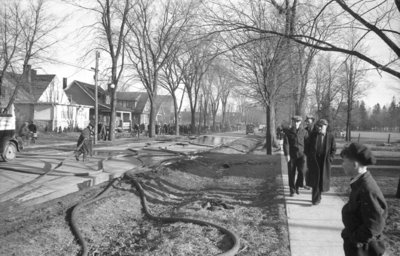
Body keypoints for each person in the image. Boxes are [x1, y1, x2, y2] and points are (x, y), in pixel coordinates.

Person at [340, 142, 388, 256]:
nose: (342, 164)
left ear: (355, 164)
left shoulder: (367, 189)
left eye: (344, 161)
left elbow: (374, 226)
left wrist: (354, 238)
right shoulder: (359, 182)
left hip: (363, 250)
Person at [304, 118, 336, 205]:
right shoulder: (312, 135)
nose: (319, 128)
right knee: (315, 180)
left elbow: (333, 150)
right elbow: (306, 147)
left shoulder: (330, 137)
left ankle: (318, 195)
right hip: (314, 161)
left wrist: (330, 159)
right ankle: (315, 199)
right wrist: (310, 157)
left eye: (321, 126)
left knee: (322, 179)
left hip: (324, 161)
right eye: (318, 126)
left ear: (326, 126)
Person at [283, 115, 308, 196]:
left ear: (300, 122)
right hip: (292, 155)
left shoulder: (304, 132)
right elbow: (286, 144)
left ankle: (297, 185)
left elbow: (308, 143)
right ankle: (292, 190)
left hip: (301, 155)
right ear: (292, 122)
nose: (296, 123)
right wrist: (287, 154)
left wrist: (307, 154)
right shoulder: (288, 132)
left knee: (302, 171)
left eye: (298, 121)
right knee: (291, 173)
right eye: (295, 121)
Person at [303, 115, 315, 190]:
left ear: (312, 122)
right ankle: (307, 183)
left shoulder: (316, 130)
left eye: (309, 122)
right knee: (306, 168)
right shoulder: (304, 130)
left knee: (313, 169)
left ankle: (312, 183)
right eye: (307, 122)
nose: (308, 123)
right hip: (306, 152)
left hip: (314, 153)